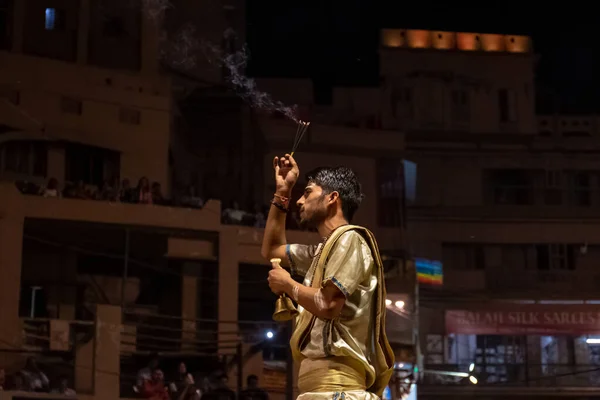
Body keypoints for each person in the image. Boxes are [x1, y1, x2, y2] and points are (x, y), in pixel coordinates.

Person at [261, 154, 395, 400]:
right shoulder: (323, 251)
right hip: (320, 389)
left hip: (338, 389)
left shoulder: (350, 239)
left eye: (308, 192)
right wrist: (283, 192)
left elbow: (329, 304)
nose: (300, 201)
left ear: (333, 197)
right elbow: (271, 250)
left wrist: (287, 285)